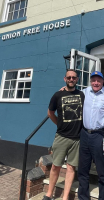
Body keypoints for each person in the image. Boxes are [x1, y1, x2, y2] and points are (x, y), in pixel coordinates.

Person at [44, 69, 85, 200]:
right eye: (69, 77)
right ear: (65, 79)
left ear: (77, 79)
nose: (71, 79)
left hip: (77, 139)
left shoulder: (82, 95)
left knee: (71, 168)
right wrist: (59, 124)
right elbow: (50, 113)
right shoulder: (57, 95)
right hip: (61, 137)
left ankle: (65, 197)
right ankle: (49, 194)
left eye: (74, 77)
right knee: (55, 166)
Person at [78, 71, 104, 200]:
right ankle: (83, 197)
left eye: (98, 80)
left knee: (101, 170)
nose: (96, 83)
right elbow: (70, 95)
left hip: (99, 135)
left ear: (103, 82)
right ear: (90, 81)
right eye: (93, 80)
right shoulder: (84, 92)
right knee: (83, 169)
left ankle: (103, 197)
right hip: (84, 134)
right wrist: (63, 90)